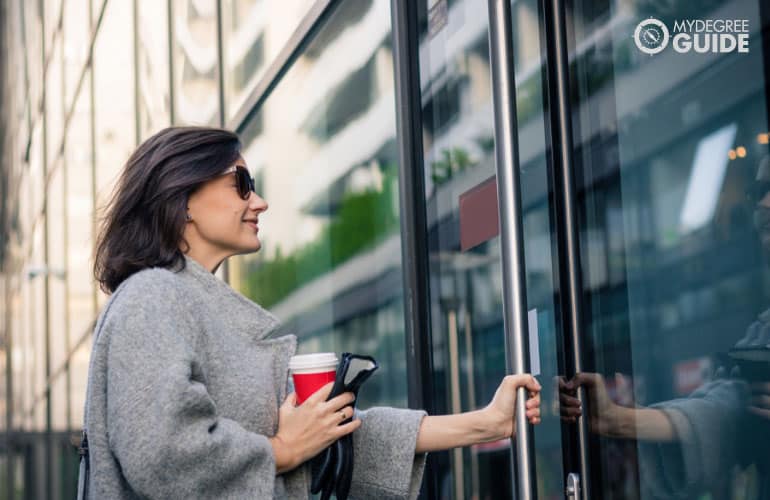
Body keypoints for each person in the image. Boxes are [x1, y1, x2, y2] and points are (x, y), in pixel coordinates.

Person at [80, 126, 542, 499]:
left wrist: (485, 422)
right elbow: (162, 454)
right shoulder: (151, 297)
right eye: (241, 184)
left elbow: (328, 436)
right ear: (183, 200)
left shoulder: (192, 307)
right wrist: (281, 450)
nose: (259, 202)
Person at [559, 156, 770, 498]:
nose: (763, 202)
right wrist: (616, 418)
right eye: (758, 189)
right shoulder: (764, 331)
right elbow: (724, 409)